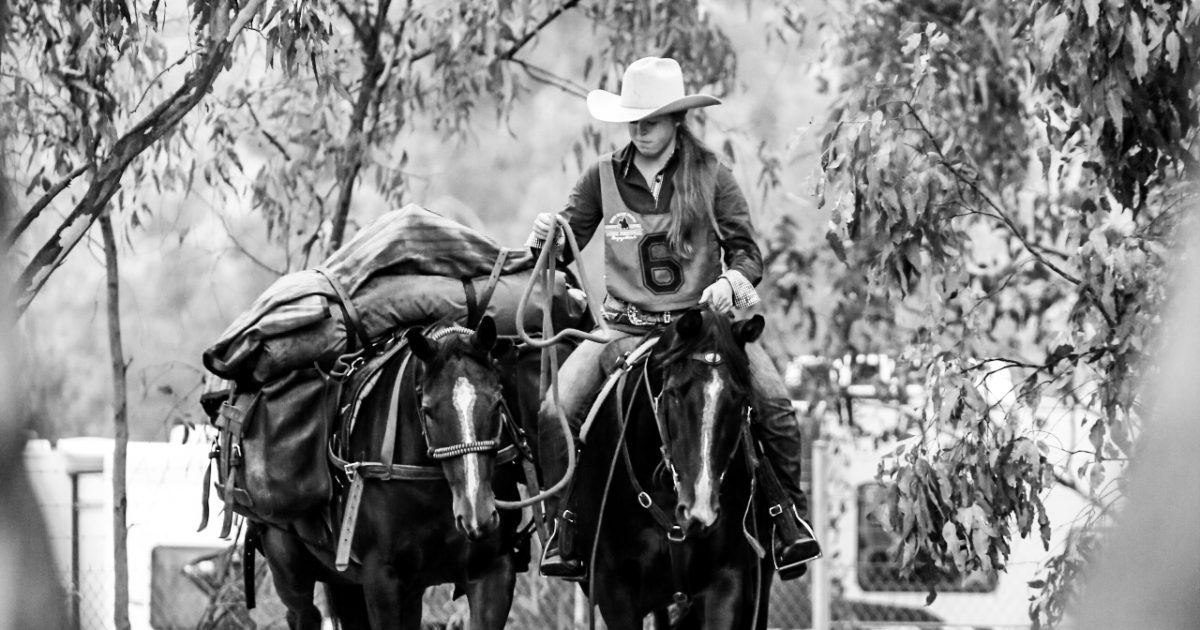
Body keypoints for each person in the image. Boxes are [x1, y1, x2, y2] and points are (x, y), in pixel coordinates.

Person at [527, 56, 821, 582]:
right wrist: (544, 236)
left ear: (676, 121)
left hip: (700, 331)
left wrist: (730, 285)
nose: (639, 131)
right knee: (556, 411)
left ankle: (787, 519)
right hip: (624, 328)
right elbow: (562, 246)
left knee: (774, 399)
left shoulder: (712, 175)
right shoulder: (600, 178)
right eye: (633, 121)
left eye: (651, 121)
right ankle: (564, 528)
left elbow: (748, 256)